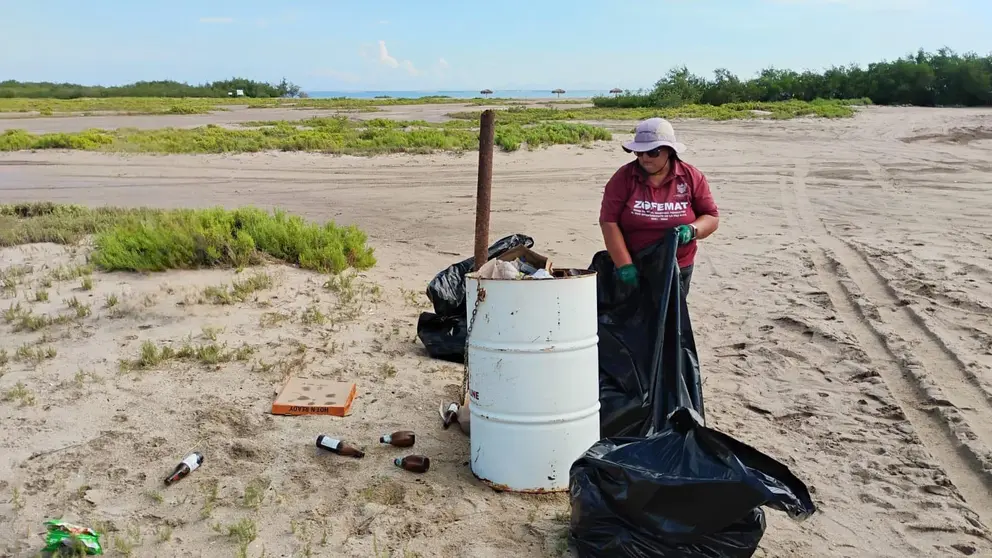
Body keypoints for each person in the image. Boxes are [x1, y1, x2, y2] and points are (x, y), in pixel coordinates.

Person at [599, 117, 719, 295]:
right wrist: (624, 265)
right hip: (635, 264)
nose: (645, 158)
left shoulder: (691, 177)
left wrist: (692, 230)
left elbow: (710, 216)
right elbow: (609, 222)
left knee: (671, 319)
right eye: (639, 153)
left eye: (653, 152)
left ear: (669, 151)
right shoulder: (623, 178)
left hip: (678, 266)